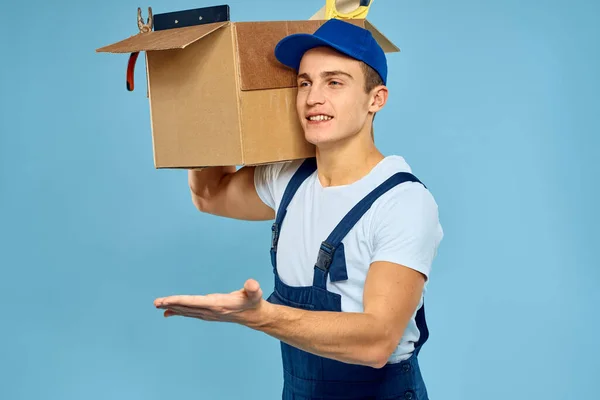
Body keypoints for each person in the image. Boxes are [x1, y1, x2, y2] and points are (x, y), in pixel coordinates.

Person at [154, 18, 443, 400]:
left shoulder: (402, 202)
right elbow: (209, 194)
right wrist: (202, 88)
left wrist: (262, 317)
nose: (312, 98)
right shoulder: (290, 178)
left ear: (376, 99)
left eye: (334, 82)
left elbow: (377, 342)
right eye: (304, 82)